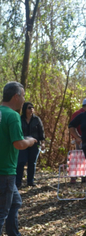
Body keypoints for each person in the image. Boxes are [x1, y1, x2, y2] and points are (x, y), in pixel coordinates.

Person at [0, 81, 37, 235]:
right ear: (16, 96)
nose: (23, 100)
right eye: (23, 96)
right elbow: (18, 144)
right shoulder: (13, 116)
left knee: (16, 202)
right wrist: (30, 140)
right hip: (6, 171)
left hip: (5, 172)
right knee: (2, 213)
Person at [16, 102, 45, 188]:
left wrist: (42, 143)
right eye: (29, 107)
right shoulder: (20, 119)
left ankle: (30, 181)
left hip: (34, 144)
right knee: (21, 162)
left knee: (32, 163)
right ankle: (18, 182)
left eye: (32, 107)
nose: (31, 109)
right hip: (23, 143)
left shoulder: (37, 119)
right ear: (25, 109)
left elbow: (41, 131)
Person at [70, 98, 86, 184]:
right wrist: (77, 137)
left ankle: (84, 177)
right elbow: (72, 127)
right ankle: (73, 177)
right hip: (80, 139)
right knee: (78, 157)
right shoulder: (77, 114)